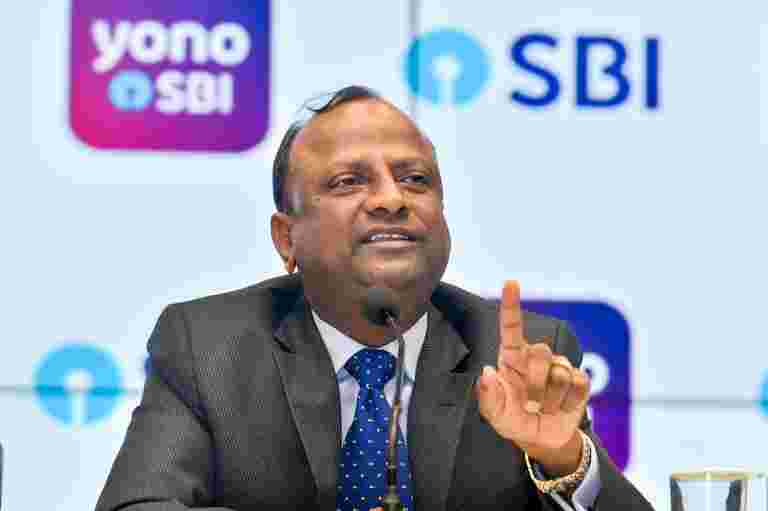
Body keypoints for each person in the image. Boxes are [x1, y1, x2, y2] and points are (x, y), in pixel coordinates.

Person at [96, 86, 653, 511]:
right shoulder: (208, 347)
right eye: (348, 182)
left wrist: (563, 458)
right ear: (287, 239)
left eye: (415, 180)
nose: (391, 199)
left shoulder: (520, 354)